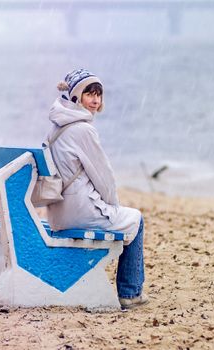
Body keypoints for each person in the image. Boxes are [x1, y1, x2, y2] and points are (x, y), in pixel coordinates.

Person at [45, 68, 148, 309]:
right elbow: (104, 177)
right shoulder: (83, 130)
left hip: (58, 214)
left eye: (98, 95)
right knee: (135, 219)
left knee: (124, 216)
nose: (95, 100)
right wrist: (113, 205)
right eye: (89, 94)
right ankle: (130, 293)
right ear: (75, 97)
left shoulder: (56, 127)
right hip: (80, 211)